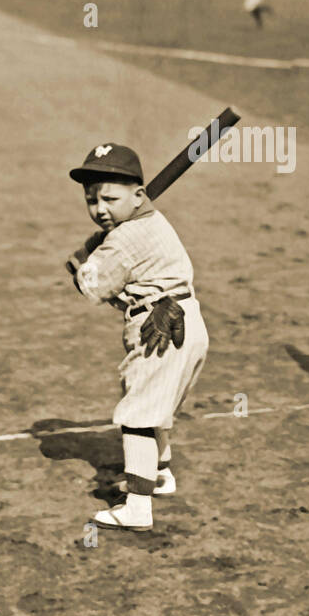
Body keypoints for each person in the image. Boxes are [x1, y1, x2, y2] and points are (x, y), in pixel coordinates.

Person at [64, 144, 208, 532]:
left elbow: (94, 287)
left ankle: (138, 508)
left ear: (139, 195)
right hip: (184, 320)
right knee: (153, 403)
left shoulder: (124, 239)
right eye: (92, 200)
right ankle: (159, 474)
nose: (100, 209)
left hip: (159, 325)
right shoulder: (150, 222)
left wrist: (80, 265)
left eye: (110, 198)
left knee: (138, 415)